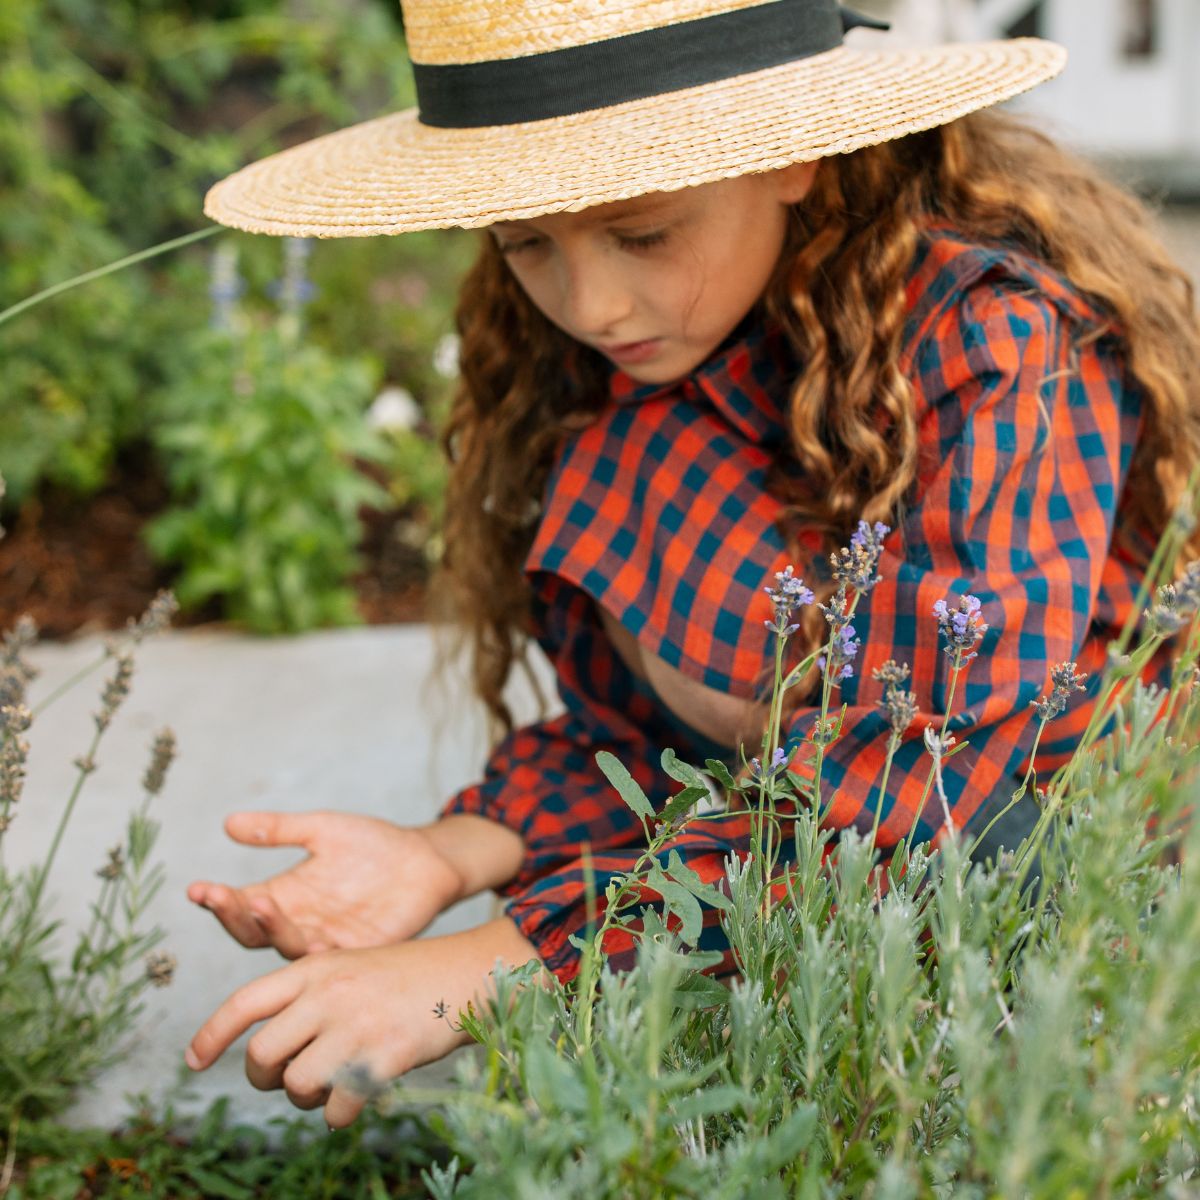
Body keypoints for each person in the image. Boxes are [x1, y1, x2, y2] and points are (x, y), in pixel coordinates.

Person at [185, 0, 1200, 1129]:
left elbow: (924, 776)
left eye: (642, 231)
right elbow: (647, 734)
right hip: (808, 822)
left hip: (1042, 826)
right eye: (526, 244)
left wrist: (494, 962)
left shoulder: (998, 344)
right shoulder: (626, 373)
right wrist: (445, 853)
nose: (591, 304)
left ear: (791, 155)